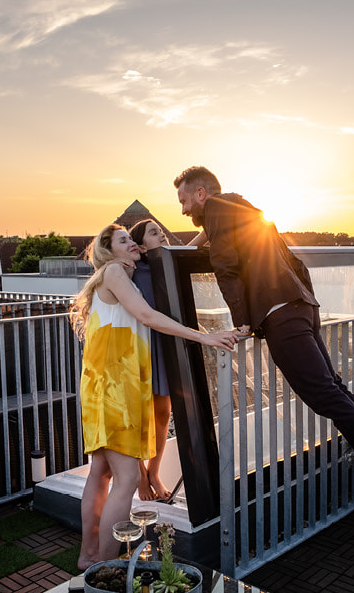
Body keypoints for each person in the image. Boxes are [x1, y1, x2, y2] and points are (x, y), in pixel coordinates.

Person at [172, 166, 354, 533]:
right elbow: (219, 237)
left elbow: (226, 267)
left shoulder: (220, 210)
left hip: (280, 316)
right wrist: (186, 246)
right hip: (300, 306)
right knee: (337, 392)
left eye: (185, 201)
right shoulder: (239, 208)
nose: (184, 211)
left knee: (328, 398)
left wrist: (242, 321)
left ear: (202, 194)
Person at [71, 224, 236, 570]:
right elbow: (147, 316)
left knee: (101, 471)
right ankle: (105, 565)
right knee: (128, 478)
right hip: (116, 388)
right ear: (108, 250)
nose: (131, 244)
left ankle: (89, 556)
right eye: (123, 240)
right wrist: (203, 337)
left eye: (132, 239)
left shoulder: (113, 276)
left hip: (104, 387)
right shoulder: (114, 271)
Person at [127, 219, 178, 502]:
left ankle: (154, 472)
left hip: (163, 343)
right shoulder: (130, 271)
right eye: (155, 232)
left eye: (163, 230)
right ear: (141, 245)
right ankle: (140, 476)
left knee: (163, 413)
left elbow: (192, 248)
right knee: (138, 416)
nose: (163, 235)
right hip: (140, 346)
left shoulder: (167, 264)